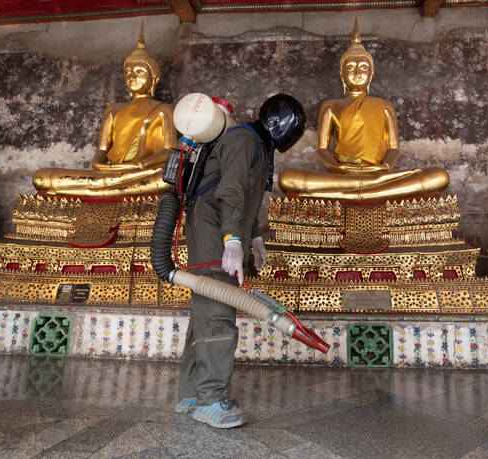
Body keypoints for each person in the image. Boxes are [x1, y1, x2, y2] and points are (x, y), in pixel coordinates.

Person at [174, 94, 306, 428]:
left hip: (221, 229)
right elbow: (230, 190)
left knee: (206, 310)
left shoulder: (258, 146)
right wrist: (232, 239)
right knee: (218, 310)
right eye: (297, 126)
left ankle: (192, 393)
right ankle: (209, 399)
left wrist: (254, 236)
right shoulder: (244, 138)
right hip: (213, 230)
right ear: (279, 122)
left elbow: (246, 196)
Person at [277, 18, 448, 201]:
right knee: (287, 178)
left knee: (439, 176)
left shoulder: (384, 106)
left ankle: (354, 192)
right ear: (342, 75)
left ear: (371, 74)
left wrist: (385, 167)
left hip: (379, 176)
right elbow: (322, 149)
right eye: (350, 68)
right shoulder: (330, 106)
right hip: (342, 176)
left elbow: (393, 147)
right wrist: (338, 167)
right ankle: (363, 191)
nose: (357, 73)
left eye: (363, 67)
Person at [32, 23, 176, 197]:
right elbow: (101, 151)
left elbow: (169, 151)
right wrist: (97, 165)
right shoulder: (114, 110)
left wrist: (139, 166)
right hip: (109, 174)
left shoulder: (164, 109)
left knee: (166, 178)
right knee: (41, 177)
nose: (132, 76)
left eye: (139, 71)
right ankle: (102, 188)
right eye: (128, 72)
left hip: (143, 173)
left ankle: (96, 190)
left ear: (154, 77)